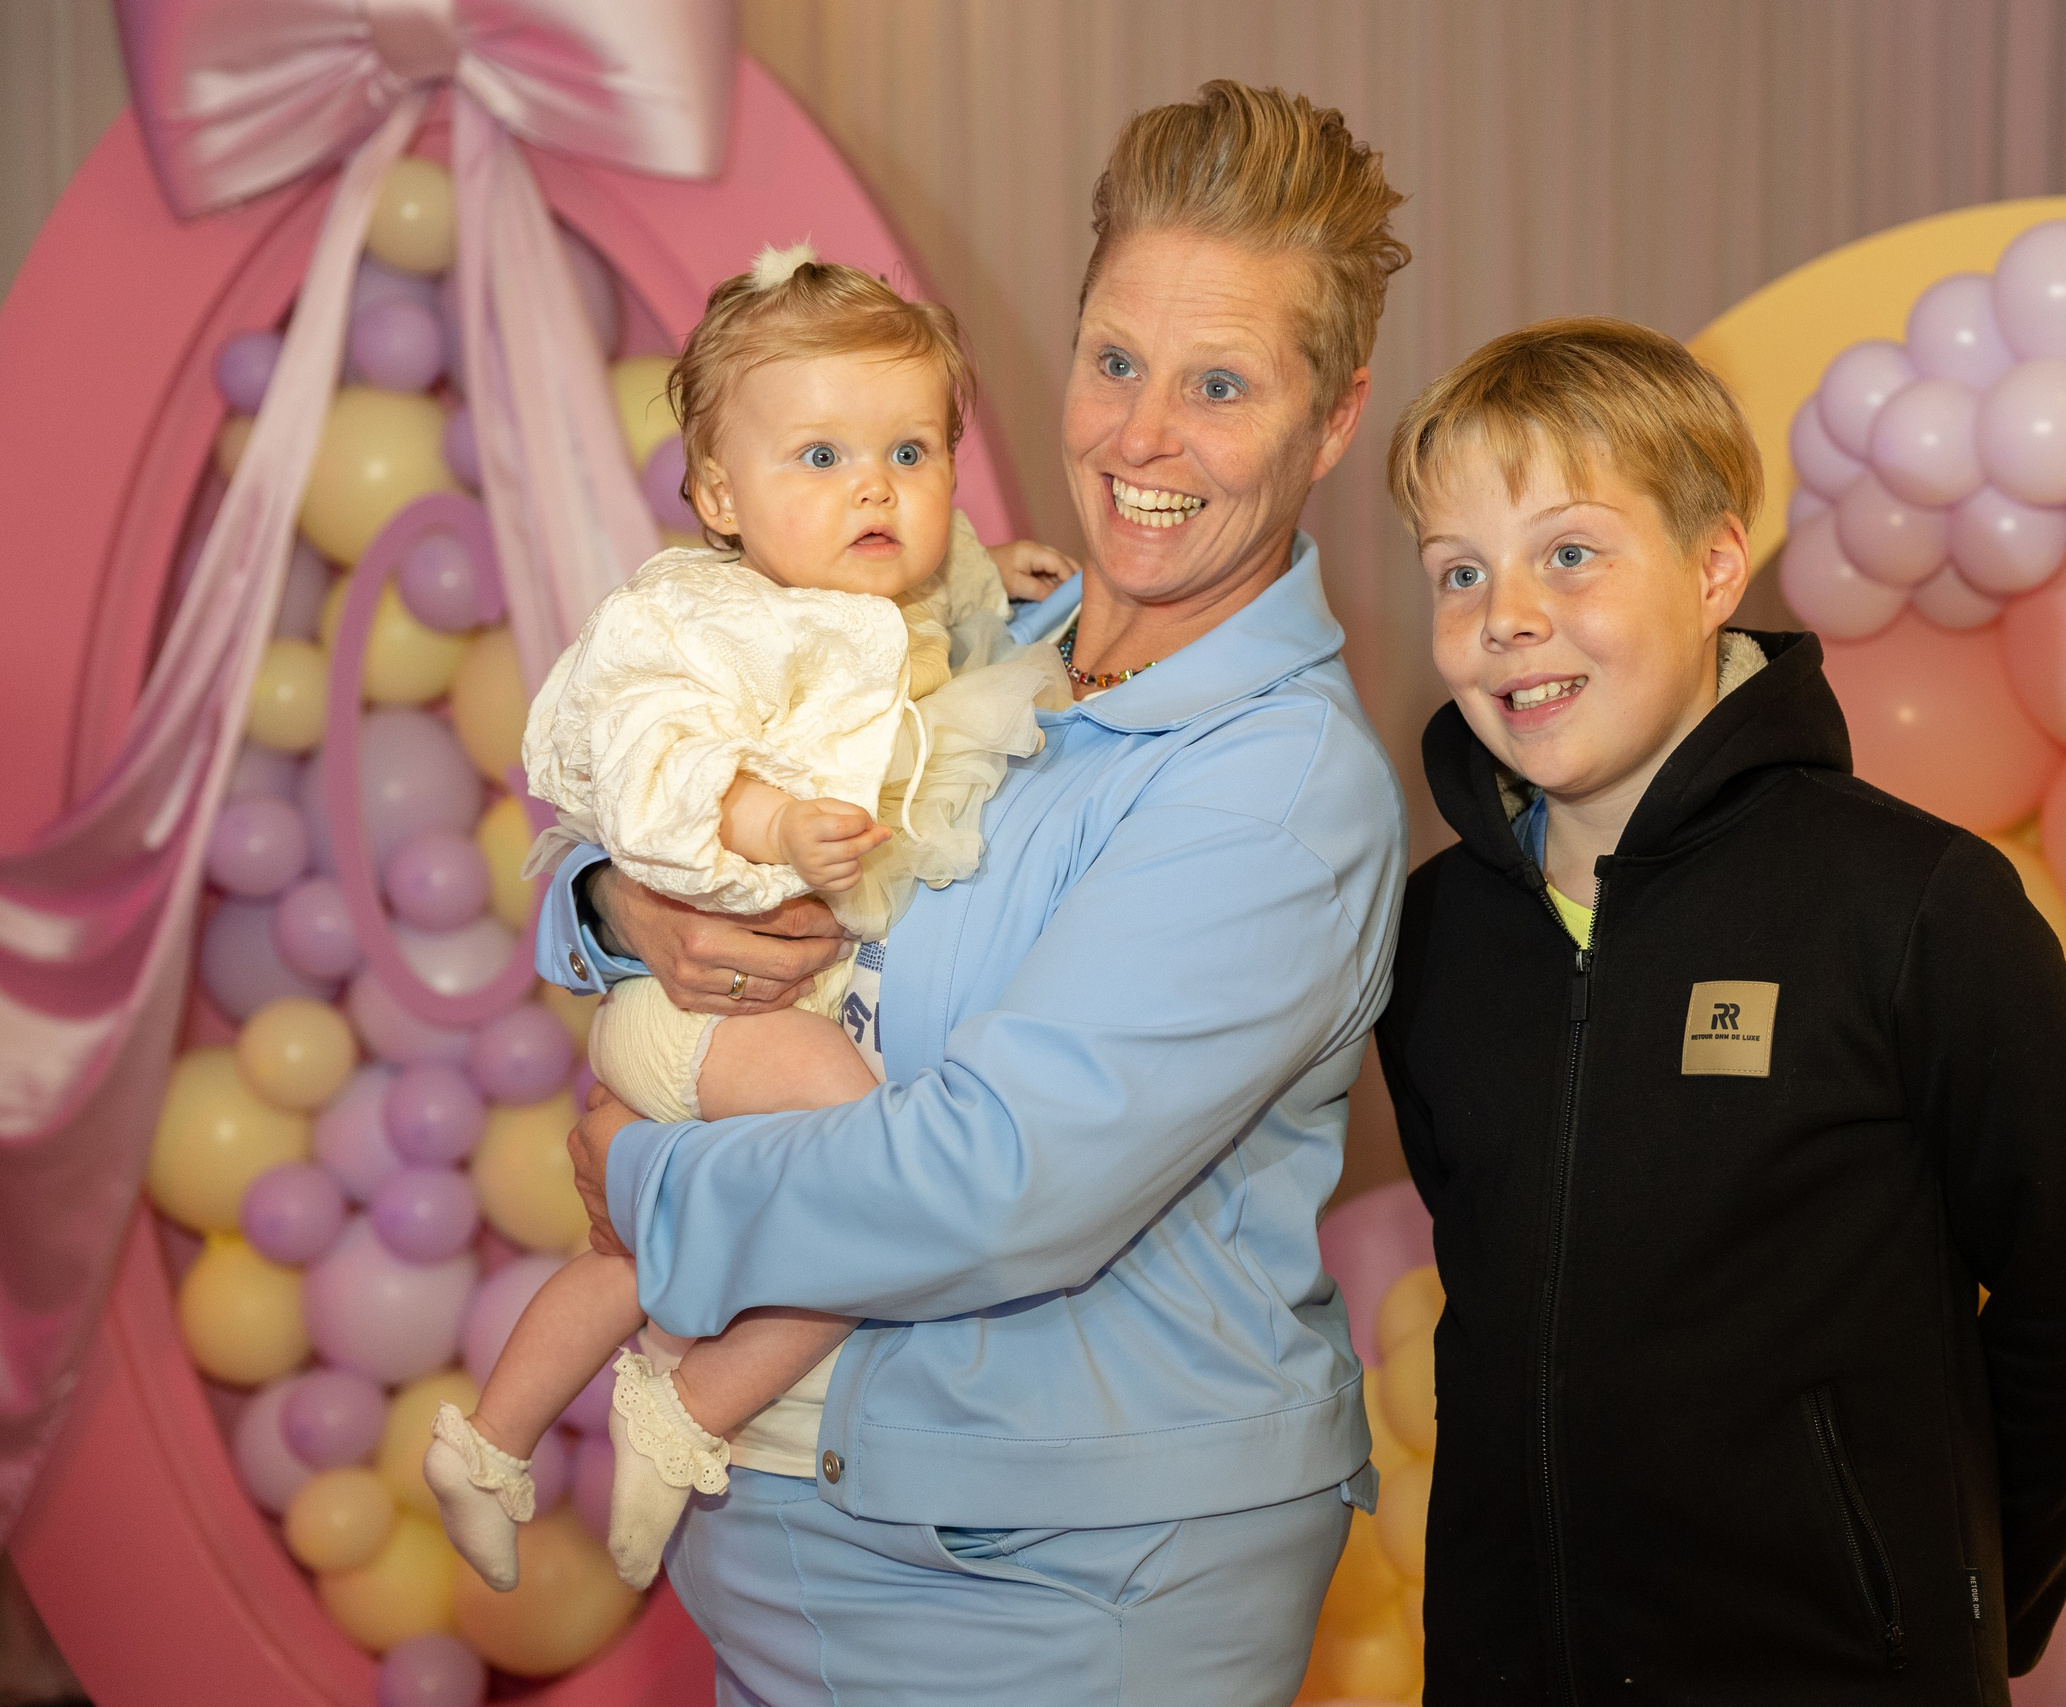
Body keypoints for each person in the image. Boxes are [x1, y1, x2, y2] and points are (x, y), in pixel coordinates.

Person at [544, 83, 1412, 1706]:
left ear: (1336, 415)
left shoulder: (1275, 793)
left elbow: (996, 1184)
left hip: (1065, 1595)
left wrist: (646, 1189)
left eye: (1220, 386)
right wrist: (613, 904)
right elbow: (664, 792)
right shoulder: (974, 638)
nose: (1143, 438)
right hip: (804, 1553)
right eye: (1114, 362)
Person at [1374, 317, 2066, 1703]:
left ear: (1716, 564)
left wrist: (1958, 1601)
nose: (1506, 613)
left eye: (1569, 551)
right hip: (1511, 1658)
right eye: (1459, 571)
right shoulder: (1435, 938)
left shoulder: (1912, 904)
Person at [425, 248, 1066, 1594]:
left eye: (910, 450)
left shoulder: (890, 612)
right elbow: (655, 784)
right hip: (701, 1004)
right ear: (719, 494)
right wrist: (766, 823)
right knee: (887, 1180)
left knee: (639, 1257)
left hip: (765, 1009)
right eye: (820, 458)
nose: (876, 487)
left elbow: (916, 642)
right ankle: (690, 1409)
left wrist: (984, 578)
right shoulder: (701, 626)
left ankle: (486, 1444)